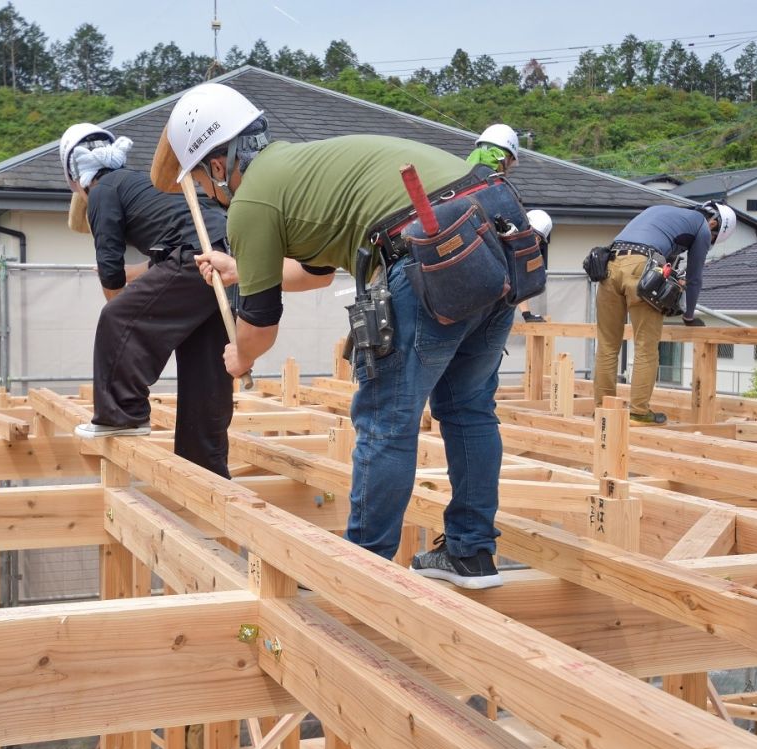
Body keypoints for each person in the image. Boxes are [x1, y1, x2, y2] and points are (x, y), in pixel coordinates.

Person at [156, 83, 514, 589]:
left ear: (218, 164)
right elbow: (317, 273)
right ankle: (471, 554)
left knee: (386, 418)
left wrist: (238, 357)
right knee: (468, 408)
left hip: (424, 248)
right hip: (497, 231)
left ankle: (360, 571)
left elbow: (259, 326)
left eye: (203, 178)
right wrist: (242, 267)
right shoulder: (301, 169)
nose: (211, 192)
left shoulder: (252, 200)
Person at [61, 122, 236, 480]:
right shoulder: (143, 185)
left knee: (117, 320)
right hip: (223, 256)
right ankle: (204, 468)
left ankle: (121, 415)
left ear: (75, 181)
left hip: (193, 258)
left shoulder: (102, 191)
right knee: (205, 370)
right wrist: (131, 279)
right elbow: (158, 263)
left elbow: (110, 272)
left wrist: (122, 307)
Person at [592, 201, 736, 425]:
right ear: (714, 222)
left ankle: (602, 410)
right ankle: (639, 412)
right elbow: (695, 277)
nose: (710, 241)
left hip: (608, 265)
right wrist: (688, 315)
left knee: (608, 345)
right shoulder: (701, 226)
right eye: (714, 237)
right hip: (640, 267)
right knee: (646, 347)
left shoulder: (663, 212)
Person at [468, 124, 545, 323]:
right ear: (504, 159)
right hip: (488, 290)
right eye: (510, 162)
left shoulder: (455, 178)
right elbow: (518, 254)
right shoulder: (500, 192)